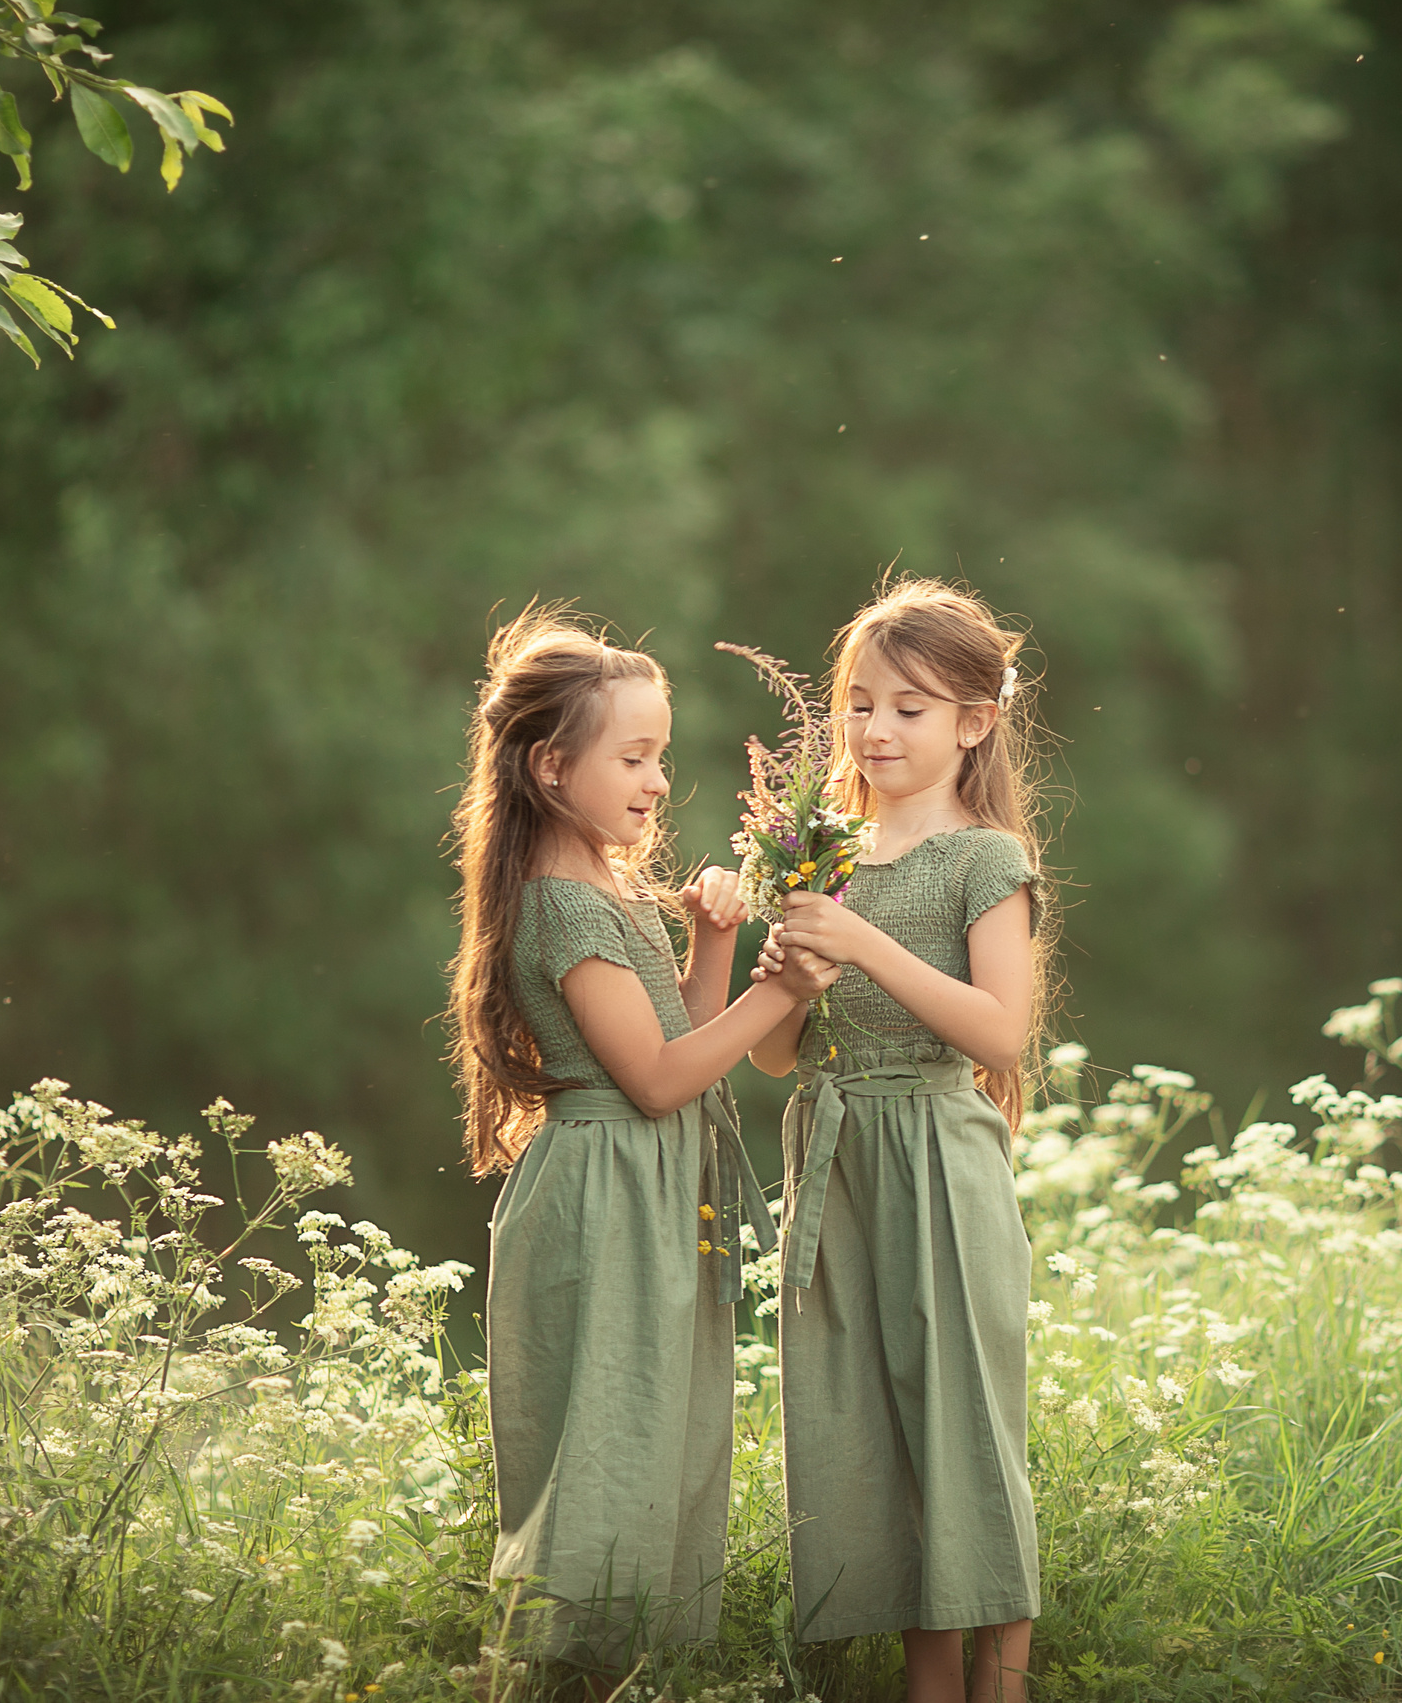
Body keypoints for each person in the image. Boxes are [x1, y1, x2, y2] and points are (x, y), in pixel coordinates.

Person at [444, 603, 837, 1676]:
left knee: (657, 1440)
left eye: (660, 756)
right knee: (605, 1456)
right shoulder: (562, 907)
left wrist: (716, 945)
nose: (659, 781)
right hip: (606, 1196)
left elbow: (673, 1037)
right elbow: (661, 1082)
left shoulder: (605, 888)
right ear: (550, 767)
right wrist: (785, 989)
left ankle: (633, 1673)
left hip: (654, 1189)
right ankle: (551, 1677)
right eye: (635, 756)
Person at [748, 578, 1052, 1703]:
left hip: (938, 1148)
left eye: (909, 709)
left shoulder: (983, 859)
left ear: (972, 722)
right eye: (859, 705)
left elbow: (1000, 1032)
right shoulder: (820, 856)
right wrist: (790, 970)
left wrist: (862, 945)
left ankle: (1003, 1682)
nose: (876, 729)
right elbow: (776, 1057)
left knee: (963, 1412)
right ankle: (927, 1682)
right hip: (831, 1154)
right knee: (866, 1416)